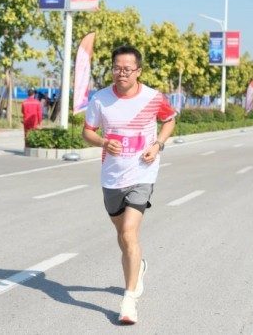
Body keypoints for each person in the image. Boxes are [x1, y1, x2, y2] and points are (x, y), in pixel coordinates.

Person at [82, 45, 176, 325]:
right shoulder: (100, 99)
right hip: (112, 177)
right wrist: (103, 142)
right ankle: (139, 266)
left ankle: (129, 300)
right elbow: (87, 132)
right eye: (116, 68)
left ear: (138, 71)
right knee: (122, 237)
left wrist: (158, 145)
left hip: (142, 173)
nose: (121, 73)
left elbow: (169, 120)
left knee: (129, 233)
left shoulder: (153, 97)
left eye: (127, 69)